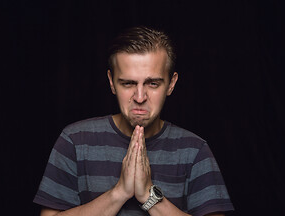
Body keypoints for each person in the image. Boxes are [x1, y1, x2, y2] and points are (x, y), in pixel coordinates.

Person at [33, 26, 234, 216]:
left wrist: (148, 194)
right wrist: (119, 193)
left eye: (153, 83)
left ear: (171, 84)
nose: (139, 97)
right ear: (112, 82)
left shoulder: (195, 150)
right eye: (128, 83)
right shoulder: (75, 140)